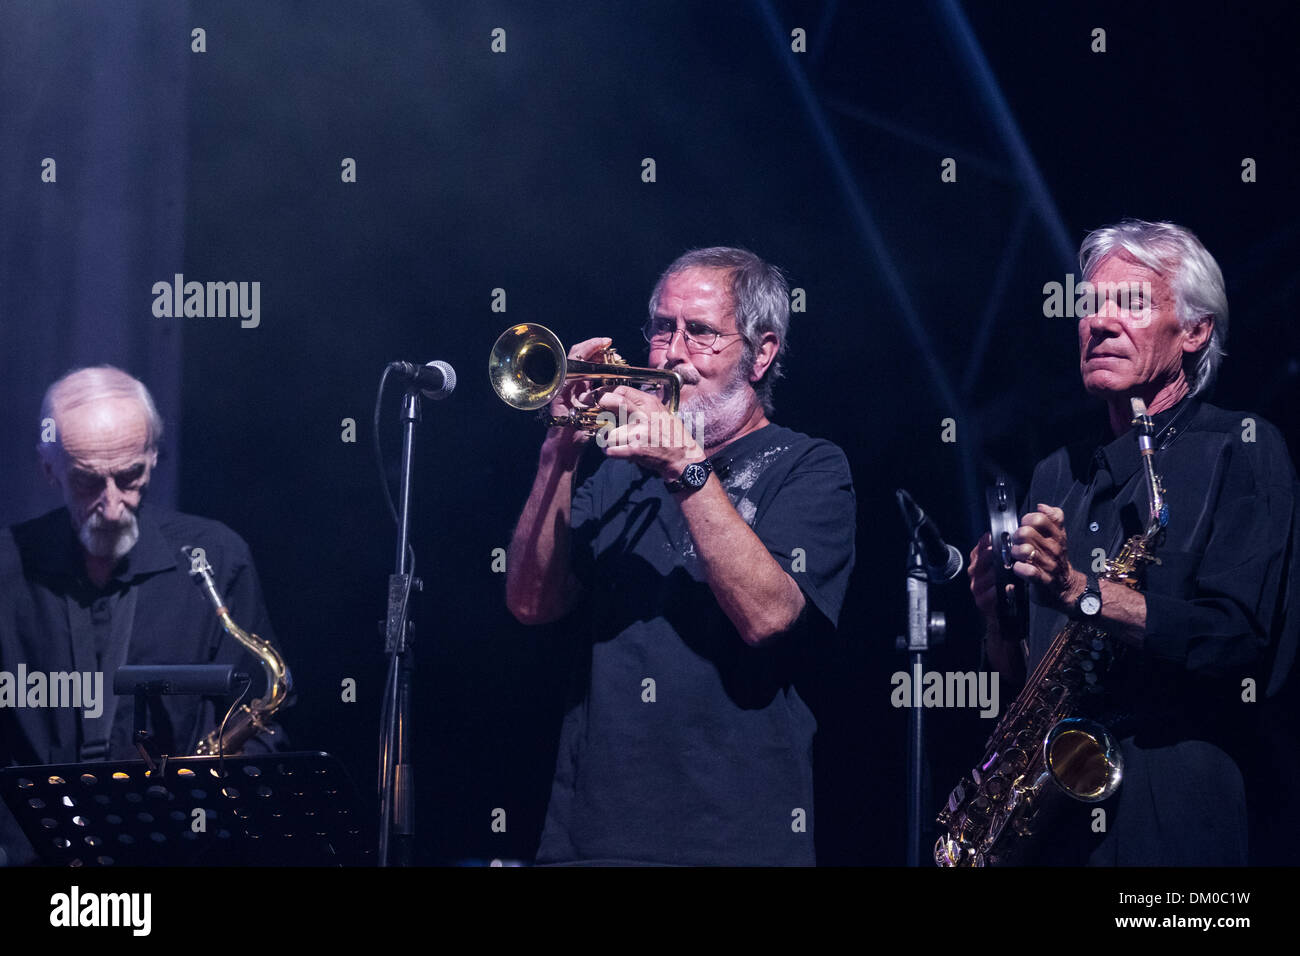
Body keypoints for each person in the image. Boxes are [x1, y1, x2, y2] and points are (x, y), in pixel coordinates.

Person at [506, 247, 856, 865]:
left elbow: (769, 617)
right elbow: (531, 603)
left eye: (699, 333)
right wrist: (559, 450)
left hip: (732, 839)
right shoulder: (617, 477)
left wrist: (686, 469)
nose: (670, 353)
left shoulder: (810, 466)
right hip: (587, 838)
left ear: (762, 352)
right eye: (662, 328)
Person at [969, 219, 1299, 865]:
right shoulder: (1055, 472)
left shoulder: (1242, 447)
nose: (1099, 323)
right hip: (1058, 818)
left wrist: (1082, 593)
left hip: (1179, 808)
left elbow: (1241, 638)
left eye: (1133, 303)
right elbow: (1021, 692)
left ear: (1197, 330)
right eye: (1089, 305)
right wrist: (997, 621)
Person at [0, 366, 289, 866]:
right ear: (49, 469)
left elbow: (262, 725)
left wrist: (220, 781)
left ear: (154, 457)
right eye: (87, 480)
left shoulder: (217, 557)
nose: (112, 506)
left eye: (130, 475)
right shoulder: (7, 566)